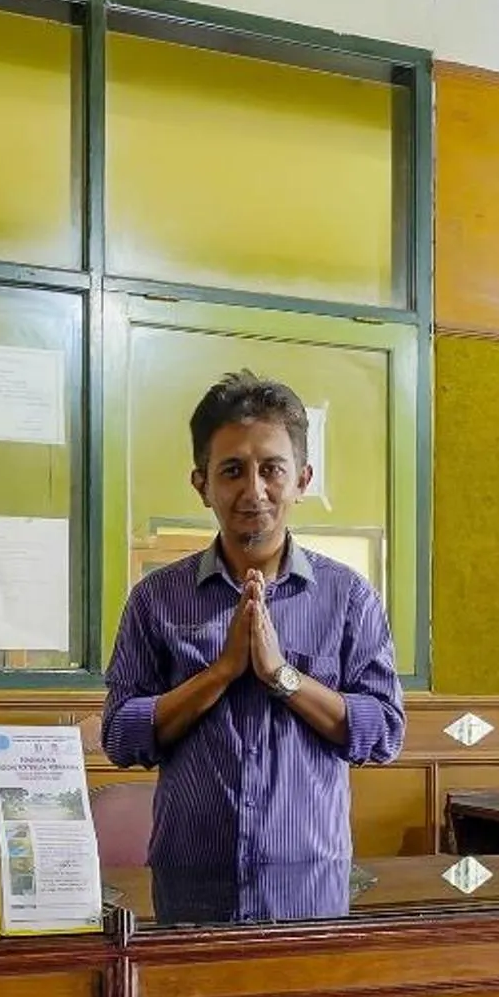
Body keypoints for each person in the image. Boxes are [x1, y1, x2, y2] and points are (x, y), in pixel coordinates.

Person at [101, 371, 404, 877]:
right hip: (189, 879)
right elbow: (120, 735)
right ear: (202, 485)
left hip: (309, 881)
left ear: (302, 480)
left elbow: (383, 733)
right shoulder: (156, 599)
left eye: (272, 469)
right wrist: (220, 673)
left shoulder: (350, 597)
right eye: (233, 471)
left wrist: (281, 675)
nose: (254, 490)